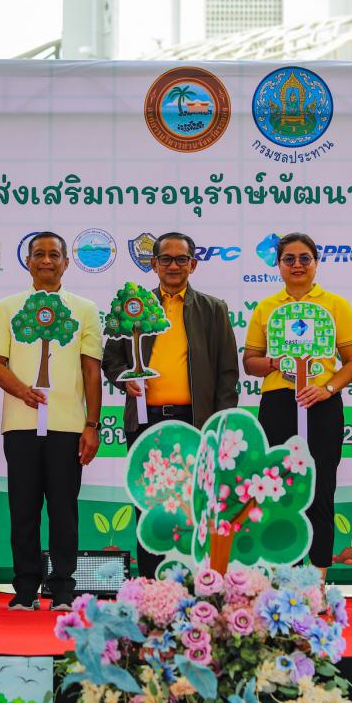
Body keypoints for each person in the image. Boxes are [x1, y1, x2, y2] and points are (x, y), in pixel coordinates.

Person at [102, 232, 239, 579]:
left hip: (195, 423)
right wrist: (123, 379)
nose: (173, 266)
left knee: (194, 506)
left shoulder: (213, 309)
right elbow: (111, 360)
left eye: (181, 259)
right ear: (154, 264)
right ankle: (151, 586)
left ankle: (195, 583)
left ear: (193, 264)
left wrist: (219, 427)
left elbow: (227, 374)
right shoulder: (133, 307)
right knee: (148, 507)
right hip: (146, 423)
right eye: (166, 259)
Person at [0, 232, 102, 612]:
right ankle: (24, 589)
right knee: (23, 510)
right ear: (28, 262)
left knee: (64, 511)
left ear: (66, 263)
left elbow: (91, 371)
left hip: (68, 426)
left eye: (54, 254)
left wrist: (92, 425)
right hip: (20, 424)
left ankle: (63, 590)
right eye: (39, 254)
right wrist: (22, 391)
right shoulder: (9, 307)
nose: (46, 260)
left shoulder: (84, 309)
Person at [242, 232, 352, 580]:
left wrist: (327, 388)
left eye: (304, 258)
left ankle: (316, 583)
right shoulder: (266, 307)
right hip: (278, 405)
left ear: (316, 263)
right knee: (278, 493)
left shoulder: (336, 305)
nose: (297, 265)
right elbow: (250, 362)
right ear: (278, 265)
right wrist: (274, 363)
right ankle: (282, 578)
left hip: (322, 404)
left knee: (321, 492)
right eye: (289, 259)